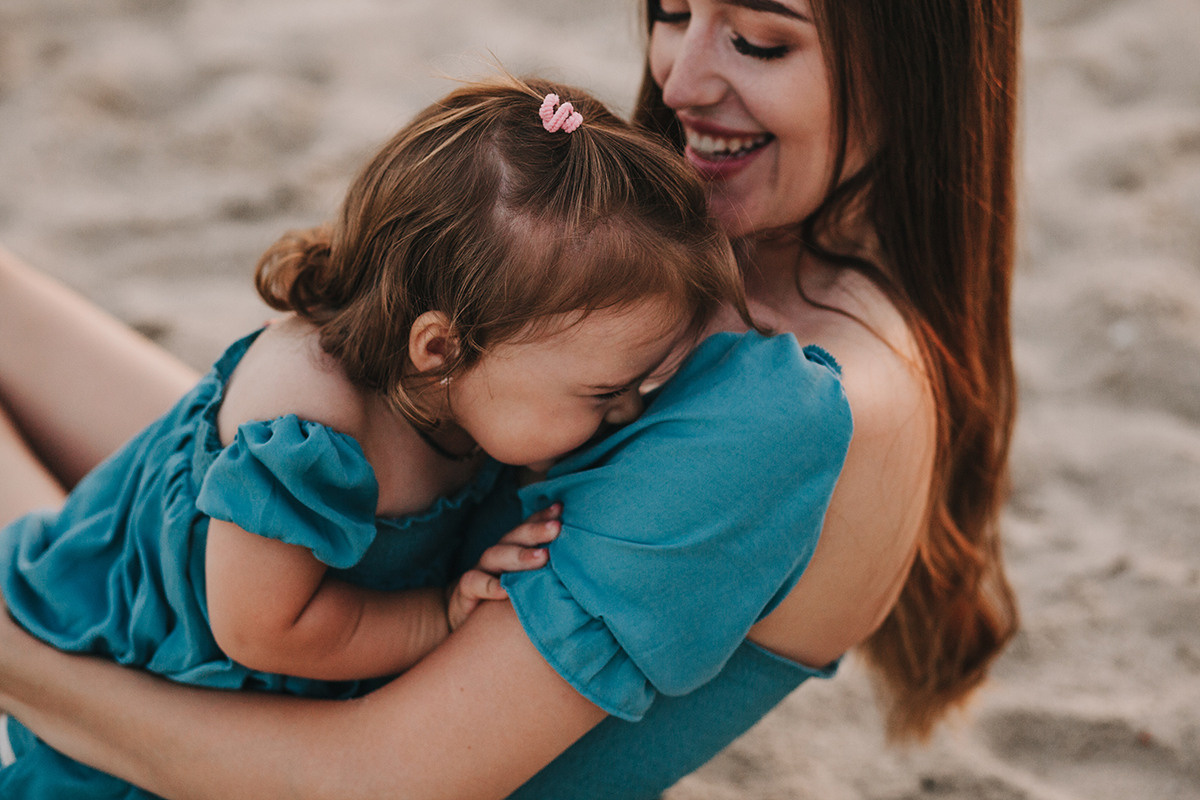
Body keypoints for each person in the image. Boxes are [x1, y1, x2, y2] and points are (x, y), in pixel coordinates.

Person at [0, 0, 1022, 797]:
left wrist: (16, 659)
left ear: (910, 67)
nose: (681, 78)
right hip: (331, 583)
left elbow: (369, 777)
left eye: (759, 42)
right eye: (671, 14)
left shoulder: (784, 408)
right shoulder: (770, 267)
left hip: (272, 719)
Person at [0, 74, 764, 796]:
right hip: (145, 664)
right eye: (605, 393)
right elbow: (264, 629)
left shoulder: (466, 391)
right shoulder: (309, 432)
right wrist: (437, 618)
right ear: (441, 348)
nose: (627, 411)